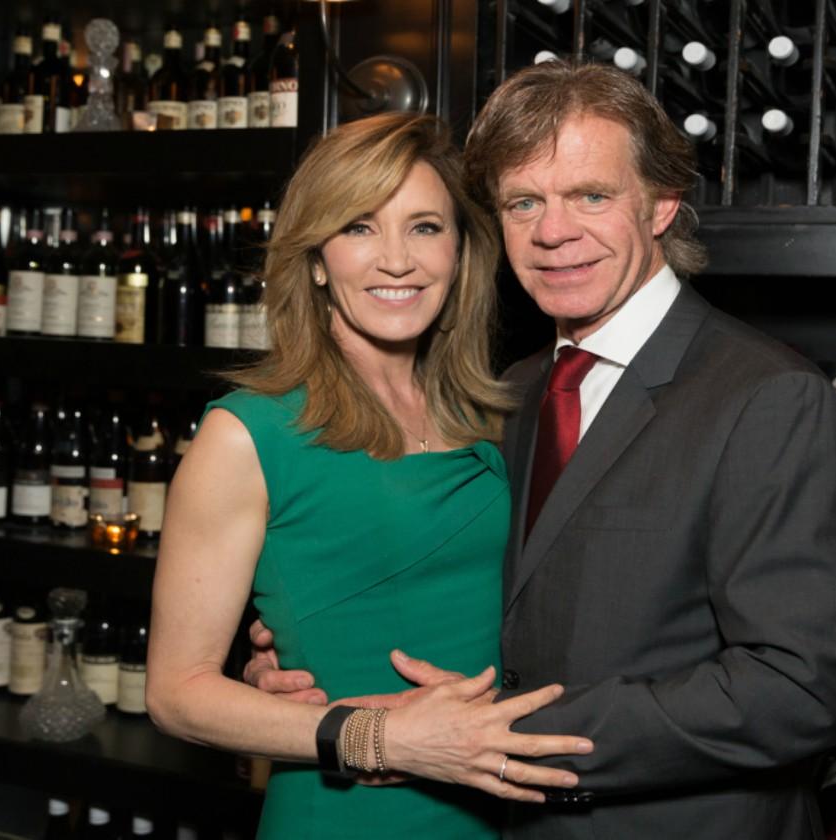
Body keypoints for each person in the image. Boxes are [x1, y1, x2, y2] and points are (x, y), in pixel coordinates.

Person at [248, 61, 836, 838]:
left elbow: (795, 690)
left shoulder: (767, 398)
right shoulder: (510, 390)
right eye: (524, 202)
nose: (552, 231)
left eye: (591, 196)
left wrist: (506, 736)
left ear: (662, 205)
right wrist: (315, 660)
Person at [145, 112, 593, 840]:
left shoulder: (499, 413)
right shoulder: (248, 435)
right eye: (358, 227)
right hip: (354, 813)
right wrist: (375, 739)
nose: (397, 261)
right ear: (316, 258)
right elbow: (175, 695)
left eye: (424, 228)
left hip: (505, 811)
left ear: (459, 251)